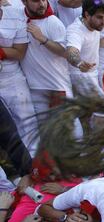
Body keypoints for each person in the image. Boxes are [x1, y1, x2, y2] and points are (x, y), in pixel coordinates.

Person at [20, 0, 73, 126]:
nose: (42, 4)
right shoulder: (19, 19)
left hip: (57, 86)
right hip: (34, 87)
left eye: (44, 0)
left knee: (68, 126)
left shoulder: (53, 22)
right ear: (24, 2)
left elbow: (65, 52)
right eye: (36, 1)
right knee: (43, 130)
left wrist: (42, 38)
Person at [0, 4, 38, 156]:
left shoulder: (16, 14)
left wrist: (1, 52)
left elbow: (20, 52)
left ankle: (35, 169)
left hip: (12, 79)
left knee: (27, 123)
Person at [65, 0, 104, 99]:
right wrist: (79, 63)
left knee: (89, 113)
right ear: (87, 15)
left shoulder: (92, 23)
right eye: (100, 17)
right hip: (81, 76)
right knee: (103, 112)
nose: (103, 22)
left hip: (92, 73)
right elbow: (71, 52)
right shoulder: (75, 31)